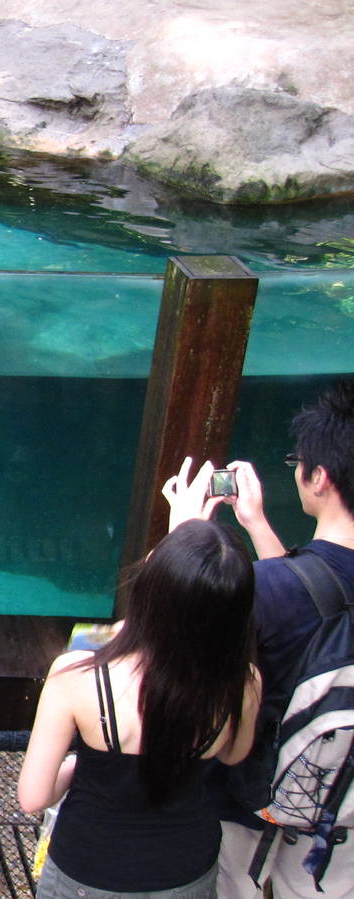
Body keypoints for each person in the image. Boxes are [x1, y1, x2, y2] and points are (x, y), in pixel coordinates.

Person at [163, 379, 354, 898]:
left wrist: (186, 539)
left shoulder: (264, 592)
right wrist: (256, 524)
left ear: (320, 477)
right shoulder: (280, 586)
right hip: (343, 812)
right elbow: (318, 599)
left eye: (299, 463)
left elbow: (170, 645)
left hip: (256, 804)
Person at [19, 519, 261, 898]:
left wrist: (80, 763)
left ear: (150, 593)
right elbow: (234, 754)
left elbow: (33, 796)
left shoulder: (76, 675)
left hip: (87, 871)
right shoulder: (243, 681)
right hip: (186, 873)